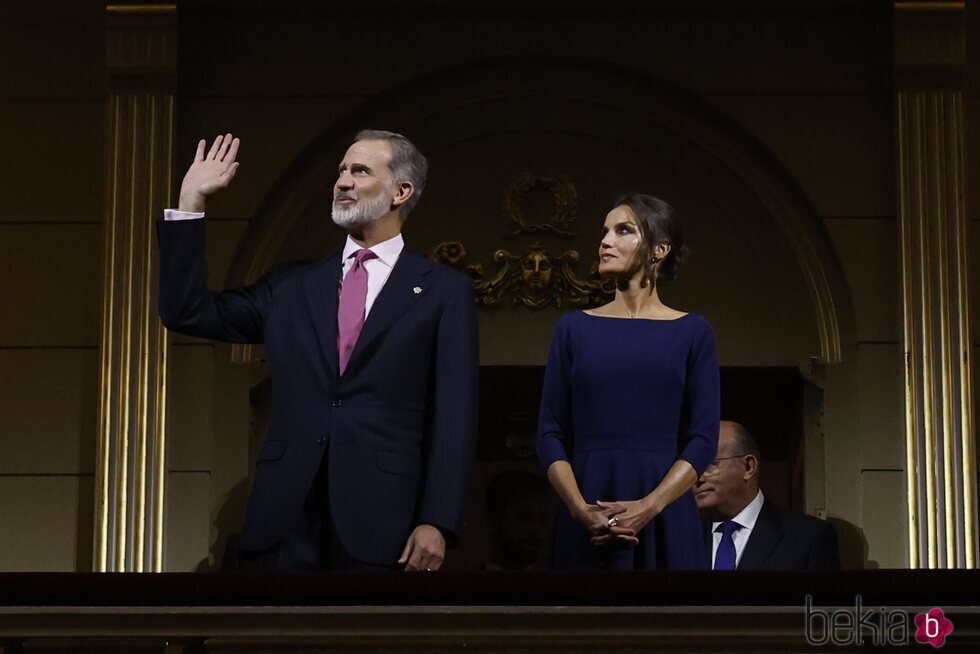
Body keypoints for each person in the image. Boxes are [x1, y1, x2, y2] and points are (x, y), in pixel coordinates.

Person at [157, 130, 479, 571]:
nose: (343, 181)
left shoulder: (444, 292)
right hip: (285, 520)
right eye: (341, 171)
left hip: (386, 522)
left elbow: (454, 417)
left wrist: (437, 521)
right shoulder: (291, 286)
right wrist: (190, 203)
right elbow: (188, 311)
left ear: (401, 192)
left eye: (360, 171)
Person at [537, 193, 720, 569]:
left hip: (665, 510)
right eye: (605, 232)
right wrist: (579, 508)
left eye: (623, 231)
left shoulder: (693, 332)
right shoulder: (573, 328)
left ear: (659, 249)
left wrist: (649, 506)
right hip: (588, 508)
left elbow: (703, 439)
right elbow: (549, 432)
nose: (605, 241)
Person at [694, 420, 841, 570]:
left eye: (708, 464)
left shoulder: (808, 538)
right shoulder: (680, 540)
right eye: (691, 468)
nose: (696, 478)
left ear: (748, 467)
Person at [480, 470, 551, 570]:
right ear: (494, 521)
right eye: (526, 518)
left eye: (543, 520)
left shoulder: (554, 584)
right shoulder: (465, 585)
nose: (537, 530)